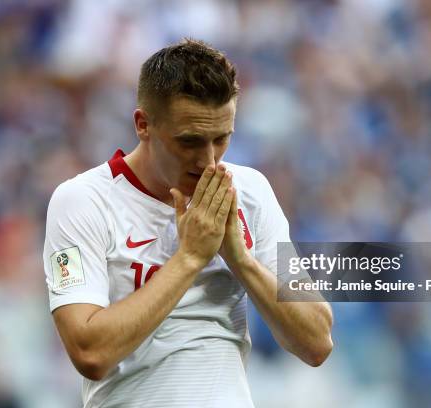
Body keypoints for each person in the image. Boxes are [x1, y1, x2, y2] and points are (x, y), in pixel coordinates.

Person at [43, 38, 333, 408]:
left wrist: (241, 260)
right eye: (189, 141)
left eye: (222, 139)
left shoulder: (251, 191)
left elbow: (317, 341)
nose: (208, 161)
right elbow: (89, 353)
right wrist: (190, 258)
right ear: (143, 124)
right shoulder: (82, 201)